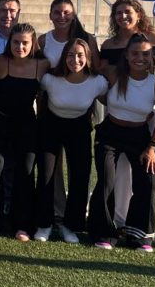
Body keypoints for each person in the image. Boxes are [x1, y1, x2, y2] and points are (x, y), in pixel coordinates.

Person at [88, 34, 155, 251]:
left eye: (145, 54)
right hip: (109, 134)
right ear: (126, 55)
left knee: (148, 181)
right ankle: (103, 232)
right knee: (107, 180)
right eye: (135, 53)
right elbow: (91, 79)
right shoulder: (113, 74)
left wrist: (152, 146)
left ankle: (139, 235)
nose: (140, 58)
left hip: (140, 136)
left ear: (152, 57)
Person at [36, 38, 107, 244]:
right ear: (63, 57)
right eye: (70, 55)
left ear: (88, 58)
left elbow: (110, 99)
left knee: (80, 177)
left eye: (80, 55)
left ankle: (71, 225)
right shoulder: (49, 79)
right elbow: (39, 98)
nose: (75, 60)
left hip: (79, 129)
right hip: (51, 126)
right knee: (46, 176)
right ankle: (44, 223)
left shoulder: (98, 82)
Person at [0, 23, 48, 242]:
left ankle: (22, 225)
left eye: (25, 43)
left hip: (27, 125)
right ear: (10, 42)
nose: (20, 47)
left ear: (33, 43)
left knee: (25, 174)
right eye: (16, 42)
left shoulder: (42, 65)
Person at [99, 0, 155, 72]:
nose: (123, 16)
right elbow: (103, 73)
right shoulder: (108, 45)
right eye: (119, 13)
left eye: (128, 12)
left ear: (139, 15)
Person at [37, 0, 99, 68]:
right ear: (50, 16)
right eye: (57, 13)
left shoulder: (87, 39)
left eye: (66, 13)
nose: (62, 16)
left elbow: (97, 68)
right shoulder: (43, 40)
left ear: (73, 16)